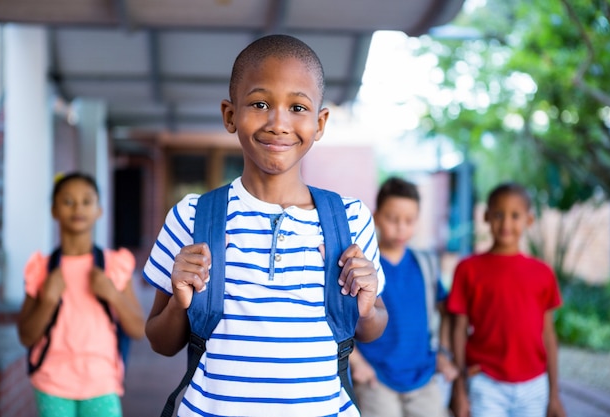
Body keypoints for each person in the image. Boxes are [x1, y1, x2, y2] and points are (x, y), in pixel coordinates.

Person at [143, 34, 388, 417]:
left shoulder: (350, 219)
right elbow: (160, 341)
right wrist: (179, 300)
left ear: (320, 122)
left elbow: (369, 328)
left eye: (297, 107)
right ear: (230, 115)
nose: (278, 123)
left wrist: (368, 307)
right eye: (260, 104)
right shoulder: (192, 216)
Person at [17, 172, 146, 417]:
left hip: (102, 382)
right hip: (51, 381)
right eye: (68, 201)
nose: (78, 208)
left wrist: (113, 294)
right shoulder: (41, 268)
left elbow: (139, 329)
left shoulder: (113, 265)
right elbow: (26, 335)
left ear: (99, 210)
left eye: (87, 201)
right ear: (54, 210)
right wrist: (47, 301)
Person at [447, 182, 566, 417]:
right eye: (499, 215)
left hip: (534, 386)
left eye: (515, 216)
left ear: (529, 220)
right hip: (485, 382)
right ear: (486, 217)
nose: (506, 224)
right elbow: (458, 330)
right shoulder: (468, 269)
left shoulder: (543, 273)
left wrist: (554, 395)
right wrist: (459, 389)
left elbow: (549, 335)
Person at [349, 177, 458, 417]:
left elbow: (446, 311)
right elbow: (339, 319)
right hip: (376, 378)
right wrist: (357, 363)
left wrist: (444, 352)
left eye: (409, 220)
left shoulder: (425, 264)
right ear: (376, 217)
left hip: (423, 376)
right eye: (392, 218)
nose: (401, 227)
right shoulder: (363, 266)